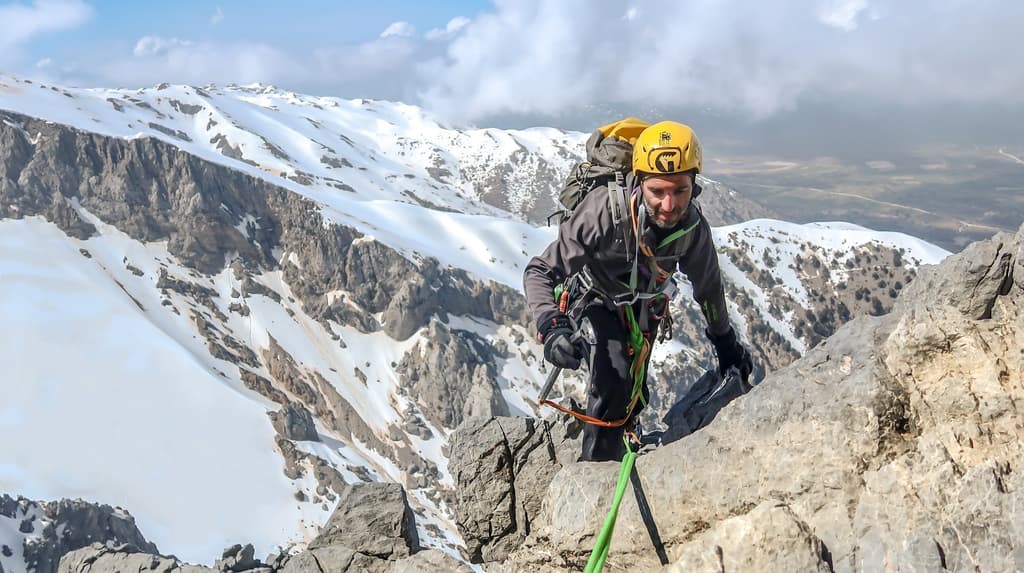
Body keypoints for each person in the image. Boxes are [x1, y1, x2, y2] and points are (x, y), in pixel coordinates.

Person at [523, 120, 754, 462]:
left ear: (695, 187)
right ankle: (595, 473)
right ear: (640, 183)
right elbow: (540, 270)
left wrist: (725, 341)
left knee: (633, 388)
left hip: (646, 308)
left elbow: (708, 289)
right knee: (613, 378)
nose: (668, 204)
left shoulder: (692, 229)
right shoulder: (604, 210)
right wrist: (551, 325)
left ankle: (621, 445)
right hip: (594, 298)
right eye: (657, 191)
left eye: (680, 191)